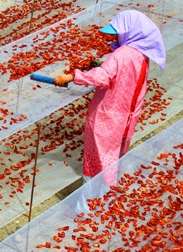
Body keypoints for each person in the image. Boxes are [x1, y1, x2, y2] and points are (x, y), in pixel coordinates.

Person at [53, 10, 166, 180]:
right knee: (113, 158)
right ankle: (106, 198)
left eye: (118, 34)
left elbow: (103, 76)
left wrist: (72, 76)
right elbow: (120, 75)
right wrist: (102, 64)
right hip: (125, 117)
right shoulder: (142, 54)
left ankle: (91, 202)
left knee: (97, 163)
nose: (115, 38)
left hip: (107, 117)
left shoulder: (122, 54)